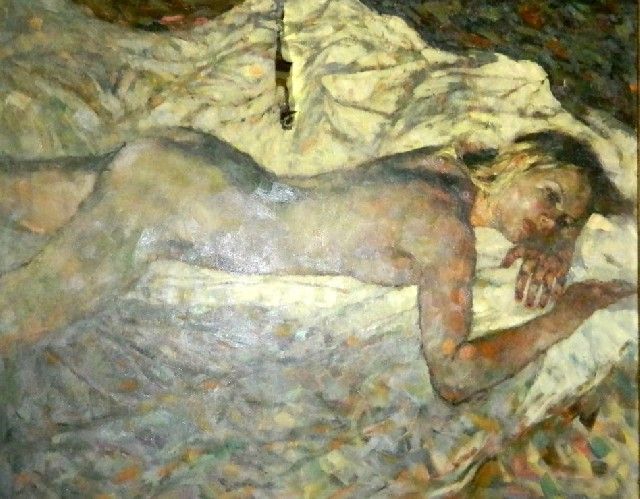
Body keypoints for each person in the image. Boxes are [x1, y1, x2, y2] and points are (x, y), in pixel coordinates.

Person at [0, 130, 633, 403]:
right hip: (177, 196)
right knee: (17, 314)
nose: (550, 222)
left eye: (566, 222)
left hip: (193, 163)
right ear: (520, 160)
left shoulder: (440, 164)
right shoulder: (446, 234)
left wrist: (558, 242)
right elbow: (454, 376)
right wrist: (565, 316)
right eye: (550, 198)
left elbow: (540, 202)